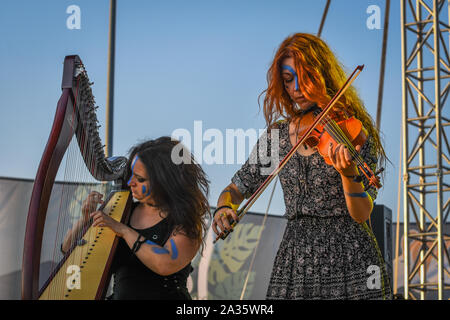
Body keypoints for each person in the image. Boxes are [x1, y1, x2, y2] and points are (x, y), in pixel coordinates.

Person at [212, 33, 392, 300]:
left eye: (304, 77)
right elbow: (237, 188)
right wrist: (225, 206)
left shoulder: (351, 129)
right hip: (296, 258)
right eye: (288, 80)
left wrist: (348, 174)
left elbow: (362, 213)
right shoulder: (279, 136)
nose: (295, 88)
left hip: (350, 255)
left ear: (322, 75)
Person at [62, 136, 210, 299]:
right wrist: (85, 218)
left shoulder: (185, 222)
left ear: (164, 181)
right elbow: (67, 248)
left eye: (140, 179)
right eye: (131, 175)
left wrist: (124, 231)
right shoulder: (123, 211)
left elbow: (164, 264)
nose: (130, 182)